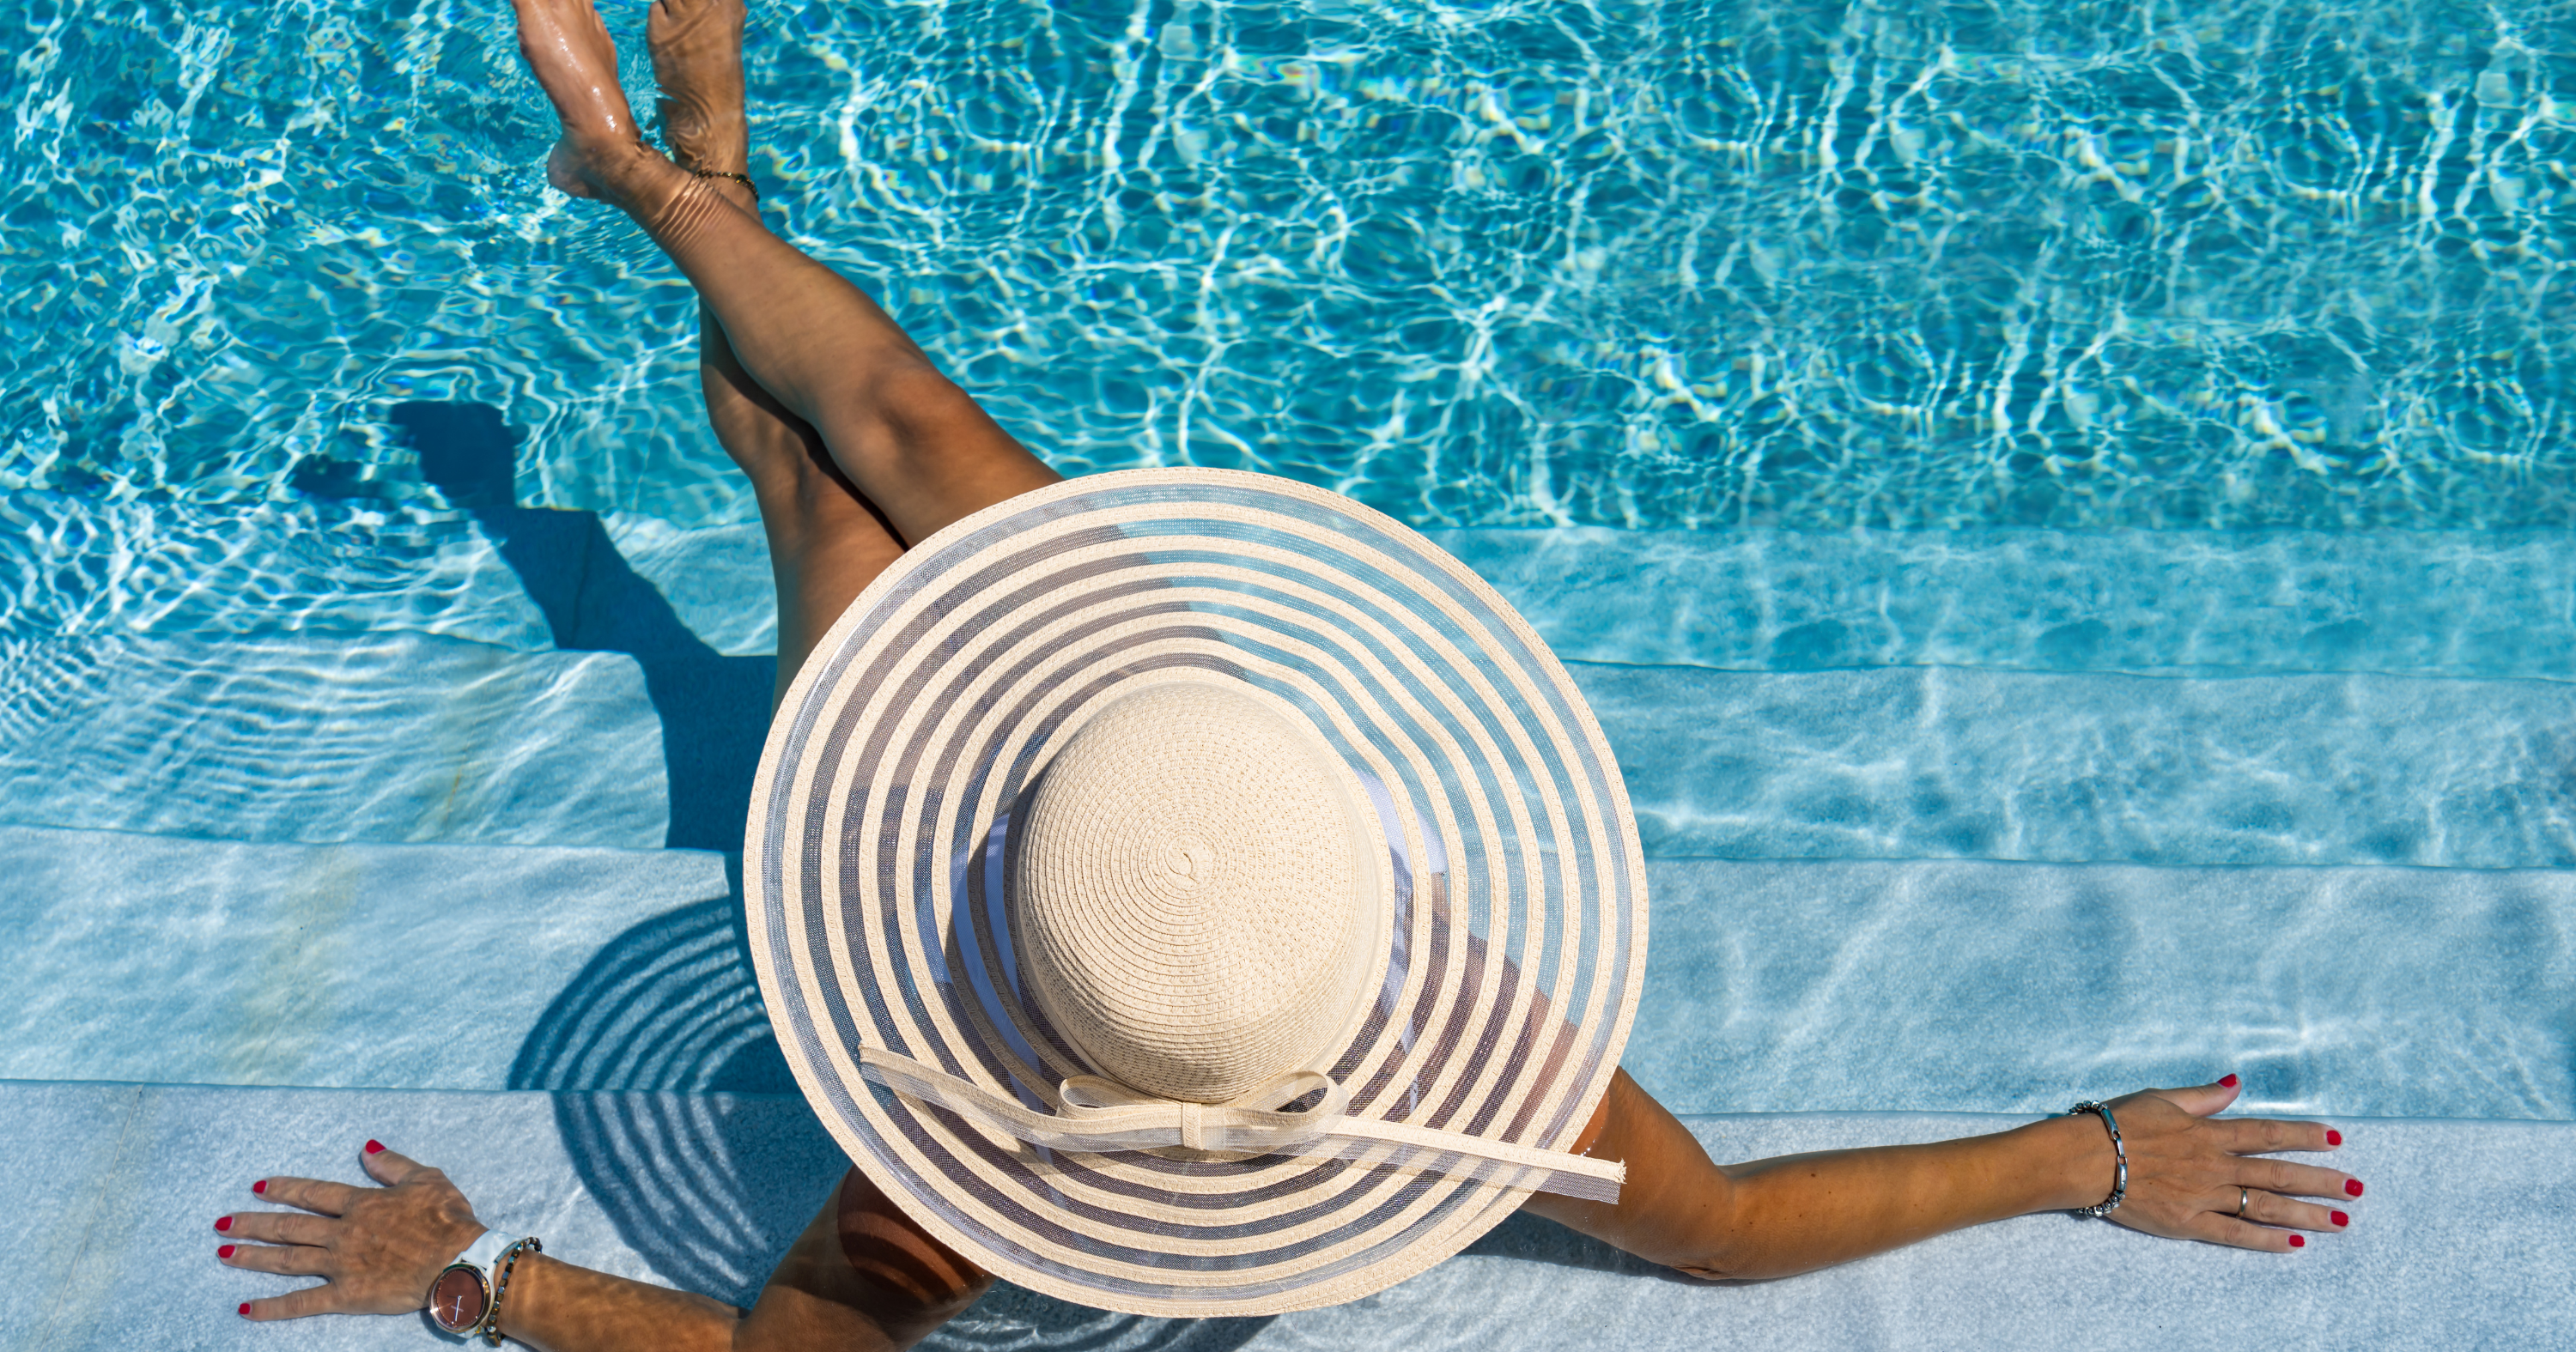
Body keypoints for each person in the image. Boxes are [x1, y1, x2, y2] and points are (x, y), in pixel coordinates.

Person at [208, 0, 2365, 1343]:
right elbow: (1711, 1236)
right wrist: (2075, 1152)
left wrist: (480, 1280)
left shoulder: (964, 1153)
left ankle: (691, 178)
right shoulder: (1441, 1059)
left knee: (831, 468)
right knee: (880, 443)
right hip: (1146, 778)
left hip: (993, 838)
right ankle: (681, 182)